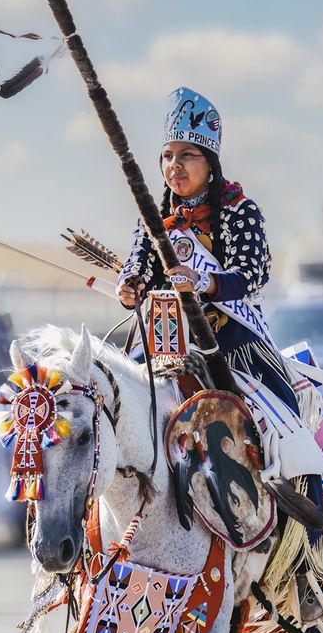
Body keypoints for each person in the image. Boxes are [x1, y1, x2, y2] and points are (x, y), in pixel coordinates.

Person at [117, 86, 296, 409]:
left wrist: (199, 280)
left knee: (282, 416)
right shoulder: (156, 218)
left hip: (232, 343)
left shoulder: (240, 210)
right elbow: (138, 263)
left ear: (210, 163)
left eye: (187, 155)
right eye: (168, 156)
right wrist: (130, 286)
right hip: (165, 339)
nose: (175, 164)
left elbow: (248, 277)